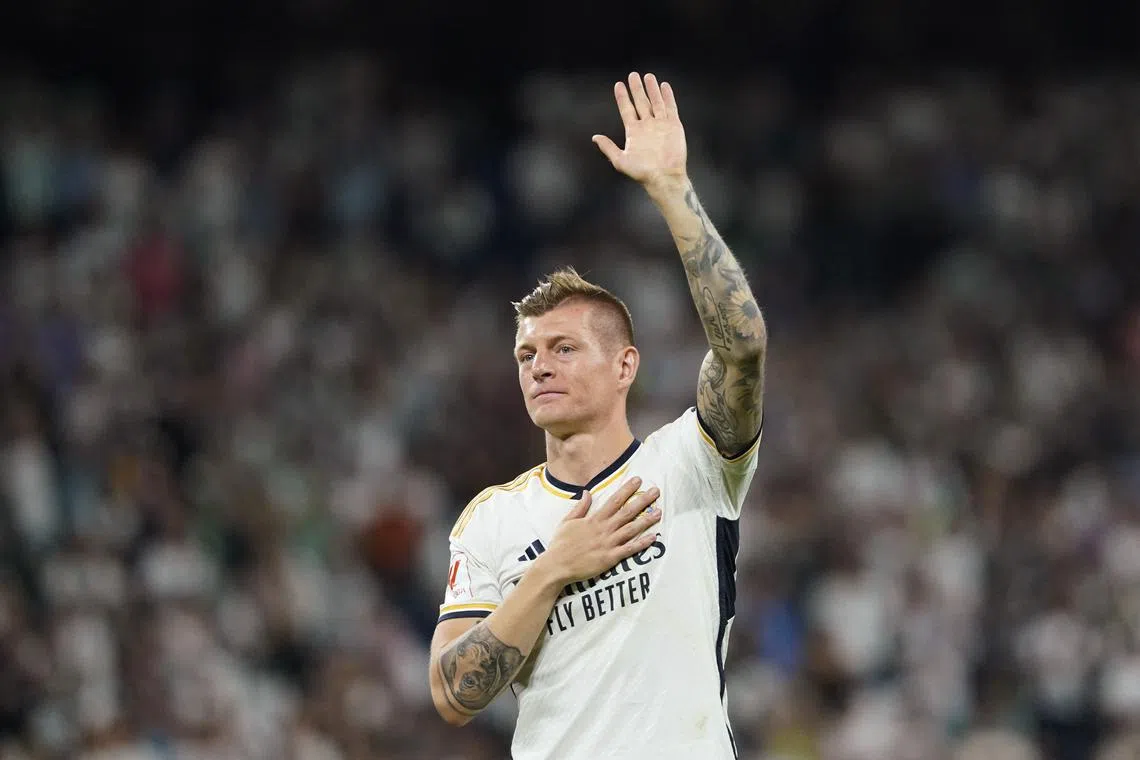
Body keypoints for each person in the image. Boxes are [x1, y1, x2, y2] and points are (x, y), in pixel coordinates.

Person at [428, 72, 768, 760]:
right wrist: (554, 569)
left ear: (625, 367)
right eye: (527, 354)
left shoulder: (691, 464)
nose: (539, 366)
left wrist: (672, 190)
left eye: (563, 348)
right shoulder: (493, 519)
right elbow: (453, 693)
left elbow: (744, 349)